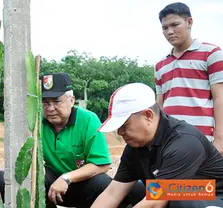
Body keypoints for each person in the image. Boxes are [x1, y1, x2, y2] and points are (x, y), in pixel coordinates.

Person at [92, 82, 223, 208]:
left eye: (124, 125)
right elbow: (112, 193)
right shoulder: (135, 146)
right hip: (177, 191)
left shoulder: (184, 142)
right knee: (136, 190)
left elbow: (155, 202)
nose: (120, 132)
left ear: (148, 115)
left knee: (180, 201)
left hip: (211, 193)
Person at [40, 72, 144, 208]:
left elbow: (161, 194)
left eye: (125, 125)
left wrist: (67, 177)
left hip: (82, 185)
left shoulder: (175, 143)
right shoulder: (134, 150)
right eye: (45, 103)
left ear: (72, 100)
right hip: (53, 187)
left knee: (125, 187)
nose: (120, 133)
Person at [154, 2, 223, 153]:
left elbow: (220, 98)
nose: (170, 31)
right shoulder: (160, 65)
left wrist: (220, 140)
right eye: (165, 28)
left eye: (175, 25)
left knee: (204, 178)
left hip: (202, 138)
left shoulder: (211, 53)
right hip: (169, 139)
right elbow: (159, 105)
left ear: (189, 22)